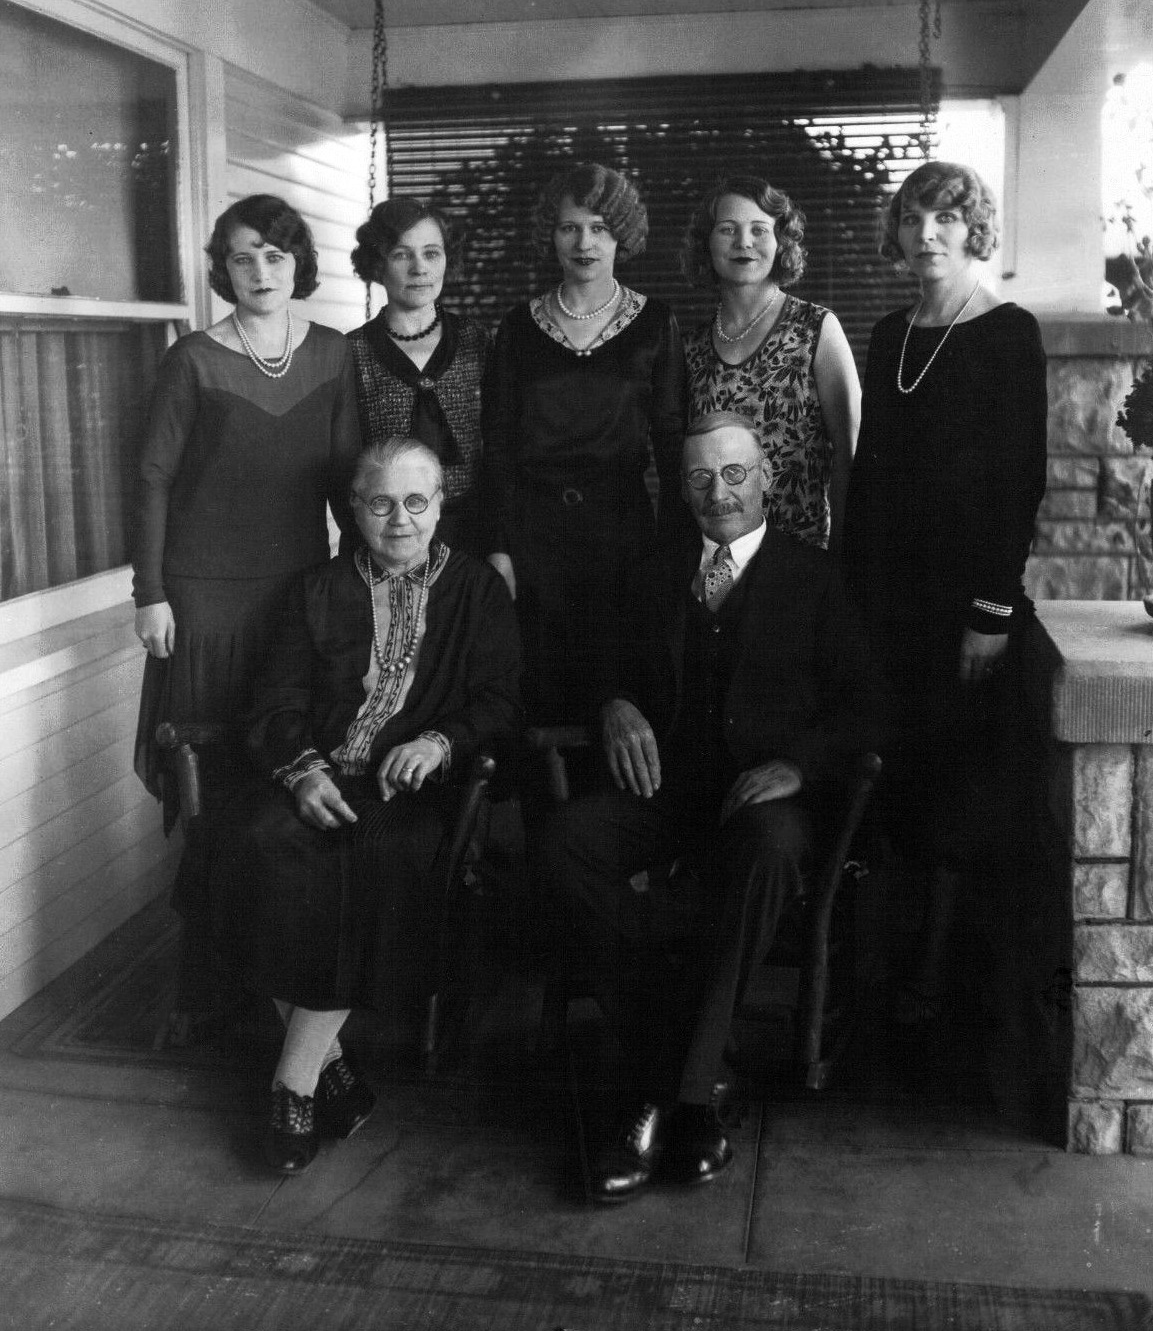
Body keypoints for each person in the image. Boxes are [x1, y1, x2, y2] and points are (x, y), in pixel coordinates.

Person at [539, 412, 880, 1203]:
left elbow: (867, 705)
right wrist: (614, 703)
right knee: (562, 844)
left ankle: (669, 1098)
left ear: (766, 479)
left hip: (761, 802)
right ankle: (687, 1066)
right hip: (665, 790)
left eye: (733, 474)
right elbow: (592, 662)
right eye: (698, 477)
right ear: (681, 487)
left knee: (767, 849)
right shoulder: (651, 569)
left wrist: (797, 765)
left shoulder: (815, 578)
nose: (717, 491)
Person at [213, 437, 522, 1174]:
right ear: (353, 509)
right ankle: (332, 1070)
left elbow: (501, 701)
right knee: (246, 840)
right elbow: (275, 700)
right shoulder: (316, 590)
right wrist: (301, 773)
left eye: (416, 501)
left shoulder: (478, 590)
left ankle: (292, 1084)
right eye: (380, 503)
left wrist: (440, 742)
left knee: (370, 856)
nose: (399, 519)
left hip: (406, 792)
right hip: (320, 773)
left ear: (440, 506)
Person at [132, 193, 360, 1013]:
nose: (259, 270)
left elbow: (347, 481)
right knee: (213, 784)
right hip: (202, 603)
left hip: (296, 593)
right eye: (241, 256)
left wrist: (360, 588)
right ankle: (214, 982)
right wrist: (151, 593)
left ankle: (280, 974)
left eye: (274, 253)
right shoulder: (193, 358)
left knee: (285, 771)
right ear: (222, 270)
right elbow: (152, 477)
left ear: (298, 261)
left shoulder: (333, 354)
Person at [842, 160, 1047, 1026]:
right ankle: (875, 984)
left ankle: (934, 993)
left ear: (973, 230)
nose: (926, 234)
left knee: (953, 796)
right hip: (886, 604)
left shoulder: (1007, 332)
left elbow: (1019, 482)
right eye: (911, 219)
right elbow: (867, 475)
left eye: (945, 219)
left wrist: (990, 611)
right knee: (886, 785)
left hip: (964, 611)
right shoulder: (889, 332)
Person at [483, 161, 687, 728]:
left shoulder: (656, 323)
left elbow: (672, 447)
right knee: (543, 700)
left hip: (623, 535)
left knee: (625, 694)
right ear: (550, 235)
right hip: (534, 537)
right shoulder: (517, 328)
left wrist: (673, 551)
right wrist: (499, 548)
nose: (584, 243)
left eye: (599, 228)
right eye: (569, 227)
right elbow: (496, 447)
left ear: (623, 235)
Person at [681, 176, 860, 553]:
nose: (743, 242)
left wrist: (841, 561)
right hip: (713, 562)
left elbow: (851, 454)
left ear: (781, 243)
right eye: (727, 229)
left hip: (801, 559)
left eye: (759, 229)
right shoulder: (689, 346)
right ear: (706, 244)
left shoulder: (816, 329)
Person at [349, 197, 488, 553]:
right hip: (387, 540)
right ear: (378, 263)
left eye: (431, 253)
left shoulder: (476, 341)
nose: (419, 268)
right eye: (401, 254)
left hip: (473, 532)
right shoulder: (352, 352)